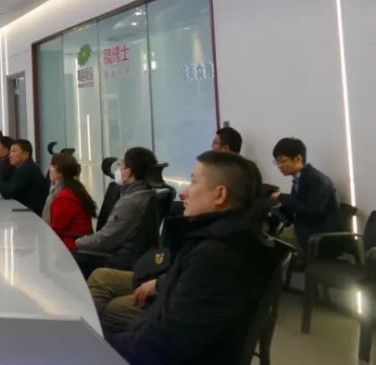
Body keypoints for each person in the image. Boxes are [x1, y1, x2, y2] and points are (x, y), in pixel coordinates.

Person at [110, 151, 279, 364]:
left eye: (193, 181)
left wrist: (100, 345)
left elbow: (163, 345)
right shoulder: (221, 238)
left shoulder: (216, 257)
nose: (184, 193)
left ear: (220, 195)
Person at [74, 147, 158, 275]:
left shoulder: (130, 202)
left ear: (128, 172)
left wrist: (77, 242)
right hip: (132, 257)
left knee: (70, 257)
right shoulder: (147, 195)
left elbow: (106, 240)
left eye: (120, 166)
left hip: (117, 260)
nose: (118, 170)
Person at [269, 137, 341, 251]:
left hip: (319, 238)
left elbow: (312, 210)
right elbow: (297, 207)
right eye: (277, 162)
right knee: (270, 234)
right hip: (306, 232)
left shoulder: (316, 180)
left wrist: (281, 197)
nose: (279, 166)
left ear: (298, 158)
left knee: (271, 241)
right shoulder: (300, 178)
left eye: (282, 161)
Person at [45, 153, 97, 251]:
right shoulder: (74, 187)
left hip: (72, 247)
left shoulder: (64, 196)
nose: (49, 168)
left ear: (59, 173)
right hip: (74, 243)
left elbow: (56, 230)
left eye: (52, 165)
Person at [0, 139, 47, 215]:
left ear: (25, 154)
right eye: (10, 152)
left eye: (14, 151)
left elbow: (7, 192)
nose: (10, 155)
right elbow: (9, 187)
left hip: (32, 214)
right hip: (25, 211)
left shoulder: (27, 169)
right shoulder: (22, 167)